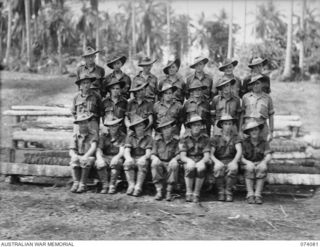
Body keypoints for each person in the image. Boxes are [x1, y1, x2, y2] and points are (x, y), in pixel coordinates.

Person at [179, 114, 211, 203]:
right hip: (189, 159)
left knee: (201, 168)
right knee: (190, 167)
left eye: (198, 125)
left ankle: (196, 193)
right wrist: (189, 161)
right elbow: (182, 156)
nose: (196, 127)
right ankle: (188, 192)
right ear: (190, 126)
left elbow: (207, 156)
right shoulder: (184, 138)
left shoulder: (205, 138)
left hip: (200, 159)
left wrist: (202, 162)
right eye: (194, 125)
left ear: (201, 126)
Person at [210, 114, 242, 202]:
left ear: (232, 125)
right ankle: (221, 191)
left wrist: (235, 161)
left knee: (233, 167)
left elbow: (239, 151)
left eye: (230, 124)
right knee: (218, 167)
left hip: (231, 159)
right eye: (225, 124)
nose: (228, 126)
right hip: (219, 160)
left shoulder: (236, 137)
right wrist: (216, 162)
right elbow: (211, 154)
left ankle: (228, 191)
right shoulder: (215, 138)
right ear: (221, 125)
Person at [241, 118, 272, 204]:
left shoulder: (264, 142)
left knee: (262, 168)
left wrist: (264, 162)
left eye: (256, 129)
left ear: (259, 131)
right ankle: (250, 194)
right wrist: (247, 162)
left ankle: (258, 194)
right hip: (248, 163)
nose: (254, 132)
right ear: (249, 132)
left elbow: (268, 154)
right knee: (249, 169)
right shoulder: (245, 143)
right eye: (251, 130)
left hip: (259, 162)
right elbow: (241, 157)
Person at [150, 118, 180, 201]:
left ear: (172, 128)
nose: (167, 130)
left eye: (168, 127)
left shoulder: (176, 140)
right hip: (160, 162)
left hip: (170, 161)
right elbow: (152, 154)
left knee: (174, 164)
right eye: (164, 128)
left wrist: (174, 159)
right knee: (154, 163)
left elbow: (179, 154)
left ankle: (169, 192)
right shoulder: (157, 140)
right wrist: (155, 158)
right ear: (161, 130)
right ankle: (159, 191)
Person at [123, 115, 153, 197]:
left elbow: (148, 153)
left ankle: (138, 187)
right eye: (137, 126)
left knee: (142, 163)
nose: (139, 128)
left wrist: (143, 158)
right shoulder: (130, 137)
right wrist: (128, 158)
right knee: (127, 163)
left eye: (141, 125)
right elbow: (127, 150)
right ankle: (131, 185)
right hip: (133, 157)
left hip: (143, 158)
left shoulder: (149, 138)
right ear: (134, 128)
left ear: (144, 126)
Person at [95, 116, 126, 194]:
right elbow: (99, 149)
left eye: (115, 125)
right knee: (99, 163)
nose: (113, 128)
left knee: (117, 163)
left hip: (116, 156)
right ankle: (105, 185)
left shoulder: (122, 136)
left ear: (118, 126)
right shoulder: (103, 136)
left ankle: (112, 185)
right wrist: (99, 158)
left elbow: (122, 150)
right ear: (108, 127)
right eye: (111, 126)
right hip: (106, 156)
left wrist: (117, 157)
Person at [69, 113, 98, 193]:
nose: (83, 125)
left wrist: (86, 156)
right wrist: (74, 155)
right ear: (78, 124)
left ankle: (83, 184)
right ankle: (76, 182)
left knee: (86, 161)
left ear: (88, 123)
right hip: (79, 155)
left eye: (85, 122)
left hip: (89, 156)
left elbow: (93, 147)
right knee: (74, 161)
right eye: (81, 123)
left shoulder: (93, 133)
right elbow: (72, 149)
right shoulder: (75, 135)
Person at [241, 74, 274, 141]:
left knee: (263, 148)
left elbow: (271, 116)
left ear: (262, 84)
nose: (255, 86)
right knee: (248, 148)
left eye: (257, 83)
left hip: (262, 126)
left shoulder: (267, 98)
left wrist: (271, 132)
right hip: (248, 126)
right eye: (253, 84)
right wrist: (240, 131)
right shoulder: (246, 97)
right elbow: (242, 114)